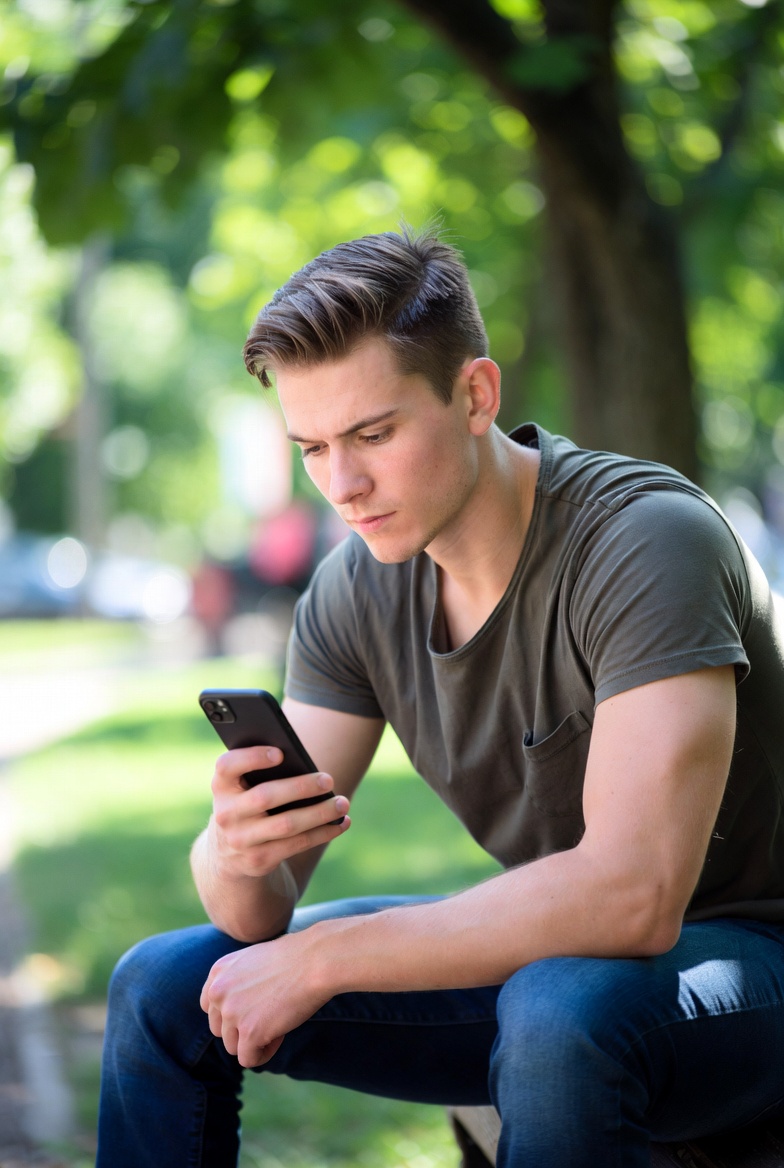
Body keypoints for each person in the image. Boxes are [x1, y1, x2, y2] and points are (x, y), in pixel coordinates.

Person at [97, 228, 784, 1168]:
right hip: (571, 962)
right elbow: (254, 915)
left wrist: (329, 957)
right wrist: (234, 848)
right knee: (163, 984)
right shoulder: (358, 587)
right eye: (313, 448)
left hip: (751, 963)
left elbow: (634, 899)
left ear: (475, 394)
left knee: (558, 1012)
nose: (344, 485)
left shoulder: (647, 543)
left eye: (374, 435)